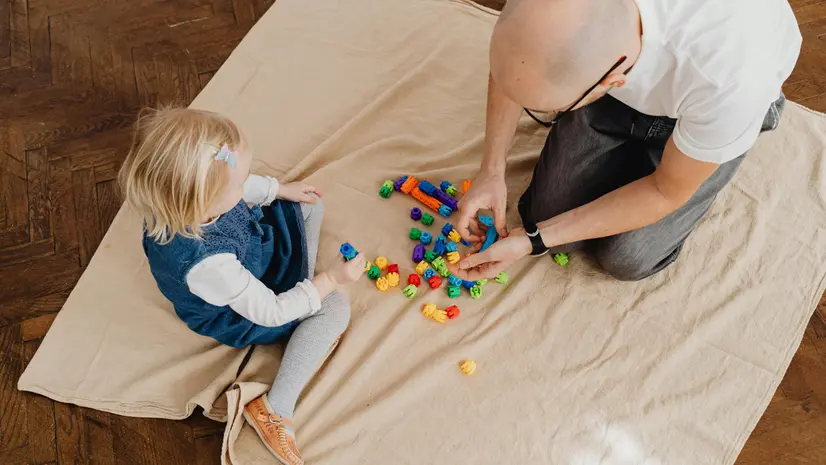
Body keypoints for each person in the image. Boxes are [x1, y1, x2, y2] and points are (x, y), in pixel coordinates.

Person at [453, 0, 801, 281]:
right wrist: (491, 170)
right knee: (541, 213)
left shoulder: (731, 84)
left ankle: (705, 151)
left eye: (548, 108)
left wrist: (535, 241)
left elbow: (664, 192)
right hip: (621, 80)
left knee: (627, 257)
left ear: (611, 81)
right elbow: (518, 57)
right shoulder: (554, 14)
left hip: (705, 109)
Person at [119, 107, 365, 465]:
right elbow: (270, 313)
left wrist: (279, 189)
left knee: (308, 206)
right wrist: (327, 281)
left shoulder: (182, 201)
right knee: (335, 307)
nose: (246, 183)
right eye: (238, 184)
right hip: (241, 312)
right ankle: (276, 407)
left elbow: (240, 186)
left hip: (247, 255)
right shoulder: (209, 265)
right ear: (203, 205)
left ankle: (300, 289)